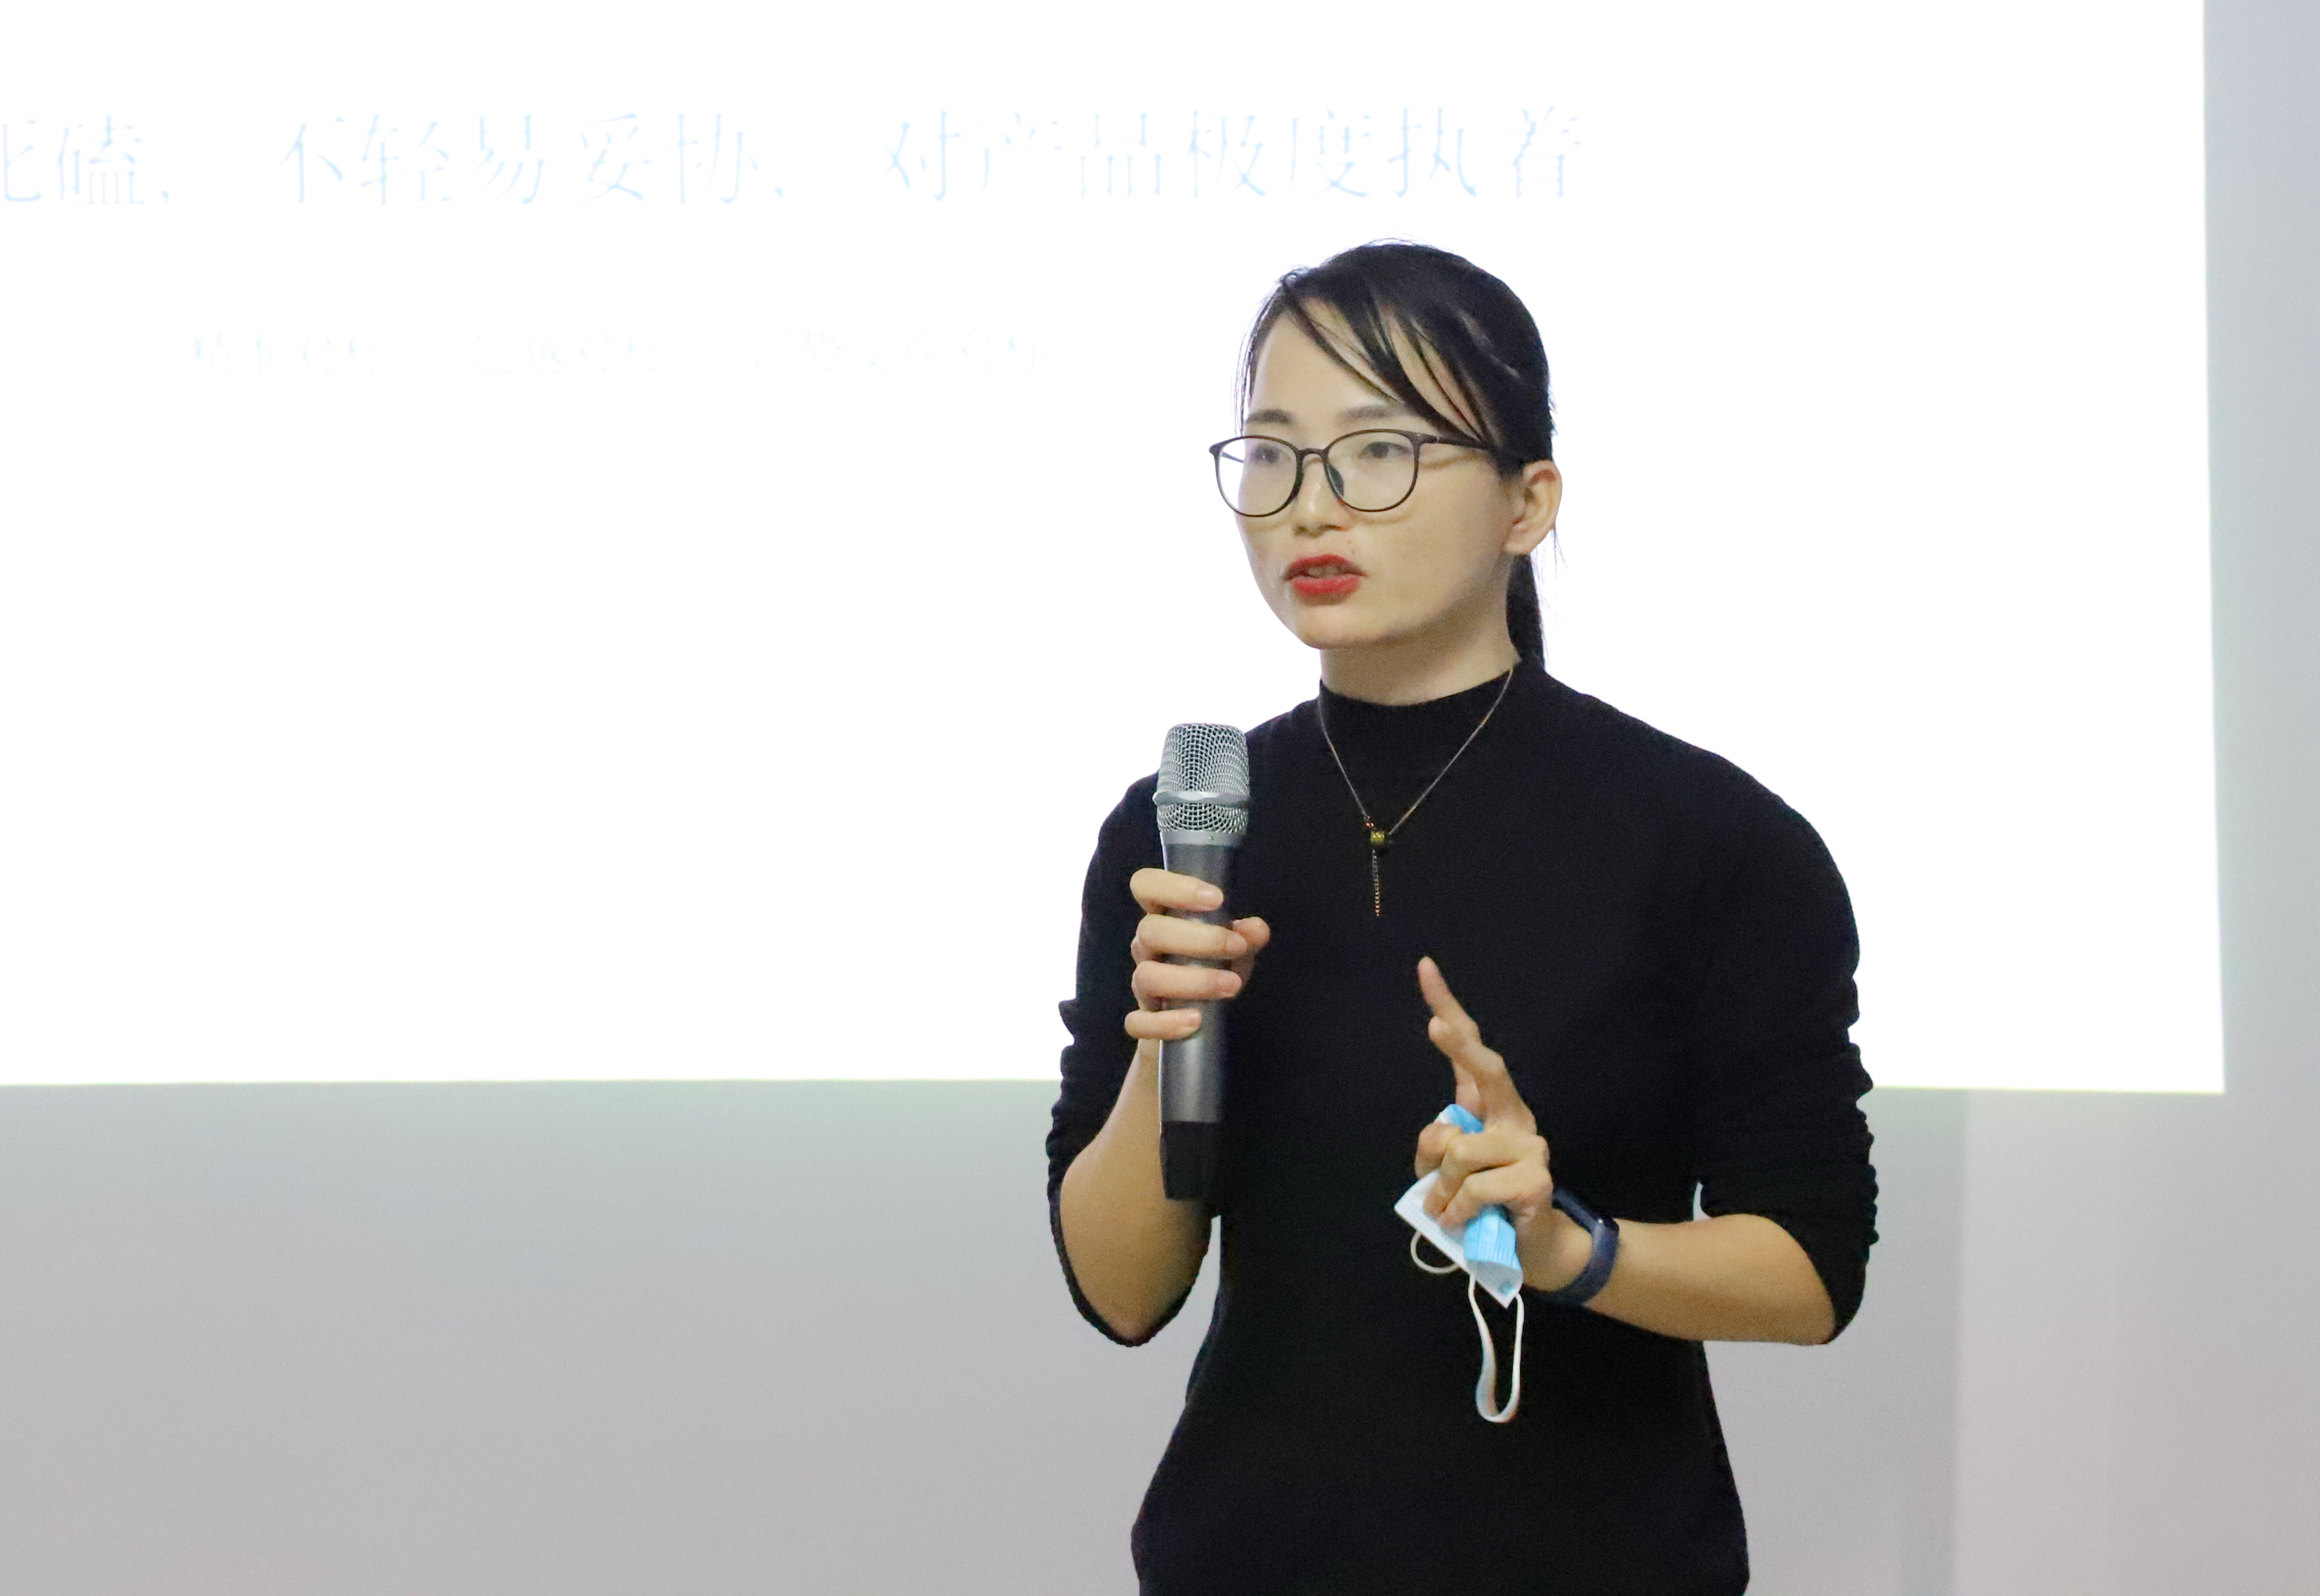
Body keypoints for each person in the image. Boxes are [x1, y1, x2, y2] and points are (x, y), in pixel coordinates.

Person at [1046, 241, 1876, 1595]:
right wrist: (1166, 1038)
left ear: (1527, 501)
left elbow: (1811, 1270)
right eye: (1273, 455)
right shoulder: (1185, 829)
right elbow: (1121, 1290)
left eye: (1379, 451)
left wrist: (1570, 1249)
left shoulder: (1711, 839)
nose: (1313, 506)